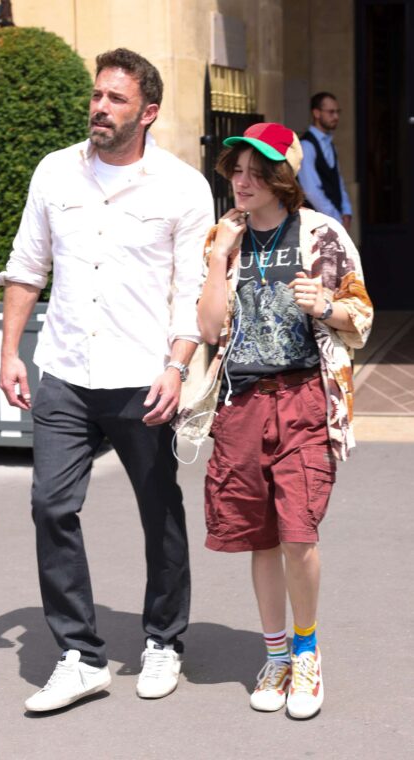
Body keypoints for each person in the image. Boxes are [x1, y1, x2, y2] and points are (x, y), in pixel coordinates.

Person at [0, 48, 214, 712]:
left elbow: (192, 292)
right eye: (97, 95)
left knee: (158, 511)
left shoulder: (182, 187)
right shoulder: (55, 172)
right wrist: (9, 352)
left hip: (141, 376)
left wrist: (176, 368)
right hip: (64, 370)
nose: (99, 107)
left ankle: (163, 640)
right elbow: (27, 266)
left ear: (148, 111)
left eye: (116, 99)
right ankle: (79, 653)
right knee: (50, 506)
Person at [177, 122, 372, 719]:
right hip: (240, 403)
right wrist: (217, 261)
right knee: (259, 536)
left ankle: (308, 651)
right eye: (236, 170)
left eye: (256, 171)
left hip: (304, 399)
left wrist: (328, 306)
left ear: (281, 177)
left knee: (298, 533)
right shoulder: (224, 237)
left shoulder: (322, 234)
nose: (242, 180)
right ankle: (276, 654)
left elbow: (361, 317)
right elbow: (209, 330)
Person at [298, 92, 353, 233]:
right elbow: (311, 190)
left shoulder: (330, 143)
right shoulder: (306, 145)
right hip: (315, 225)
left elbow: (337, 180)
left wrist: (346, 211)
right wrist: (336, 219)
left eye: (337, 112)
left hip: (332, 222)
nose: (336, 117)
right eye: (331, 112)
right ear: (316, 113)